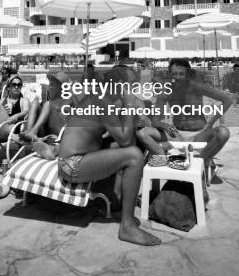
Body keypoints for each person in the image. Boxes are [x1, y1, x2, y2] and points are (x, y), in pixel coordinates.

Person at [35, 64, 161, 246]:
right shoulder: (103, 103)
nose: (135, 89)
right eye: (132, 84)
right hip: (72, 164)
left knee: (120, 145)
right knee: (133, 155)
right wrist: (129, 105)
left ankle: (116, 199)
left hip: (75, 158)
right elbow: (126, 140)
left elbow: (117, 135)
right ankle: (127, 227)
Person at [153, 59, 233, 175]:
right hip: (178, 134)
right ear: (170, 74)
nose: (178, 77)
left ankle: (199, 163)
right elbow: (155, 119)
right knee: (146, 138)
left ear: (187, 74)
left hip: (200, 134)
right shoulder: (166, 91)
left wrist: (211, 122)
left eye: (181, 74)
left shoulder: (197, 87)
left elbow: (227, 100)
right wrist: (164, 125)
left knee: (223, 133)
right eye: (174, 74)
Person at [21, 70, 71, 143]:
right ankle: (29, 132)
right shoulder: (52, 98)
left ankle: (33, 132)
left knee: (47, 104)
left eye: (54, 84)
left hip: (58, 133)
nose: (50, 86)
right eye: (51, 83)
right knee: (35, 103)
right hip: (46, 131)